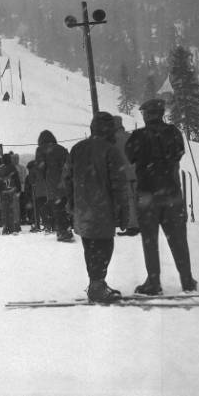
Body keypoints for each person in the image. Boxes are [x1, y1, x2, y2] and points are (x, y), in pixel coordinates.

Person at [125, 98, 197, 295]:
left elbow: (129, 156)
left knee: (150, 240)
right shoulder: (174, 133)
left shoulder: (138, 136)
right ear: (162, 113)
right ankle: (187, 279)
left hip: (147, 195)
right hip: (172, 193)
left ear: (147, 115)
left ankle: (154, 282)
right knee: (178, 239)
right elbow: (179, 153)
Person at [64, 112, 129, 303]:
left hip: (83, 209)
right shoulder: (111, 150)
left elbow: (66, 178)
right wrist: (123, 212)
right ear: (109, 130)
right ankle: (97, 286)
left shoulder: (76, 149)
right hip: (104, 209)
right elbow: (119, 184)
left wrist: (71, 202)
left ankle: (96, 283)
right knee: (104, 247)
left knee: (90, 248)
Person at [35, 130, 74, 242]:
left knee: (57, 207)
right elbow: (69, 164)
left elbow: (40, 167)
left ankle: (63, 231)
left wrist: (44, 178)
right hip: (65, 180)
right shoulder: (61, 148)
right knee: (64, 205)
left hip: (52, 180)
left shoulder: (41, 149)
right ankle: (66, 229)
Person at [113, 116, 139, 236]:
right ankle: (142, 222)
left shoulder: (112, 140)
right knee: (138, 198)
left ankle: (132, 226)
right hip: (136, 172)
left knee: (129, 201)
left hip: (123, 174)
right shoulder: (131, 136)